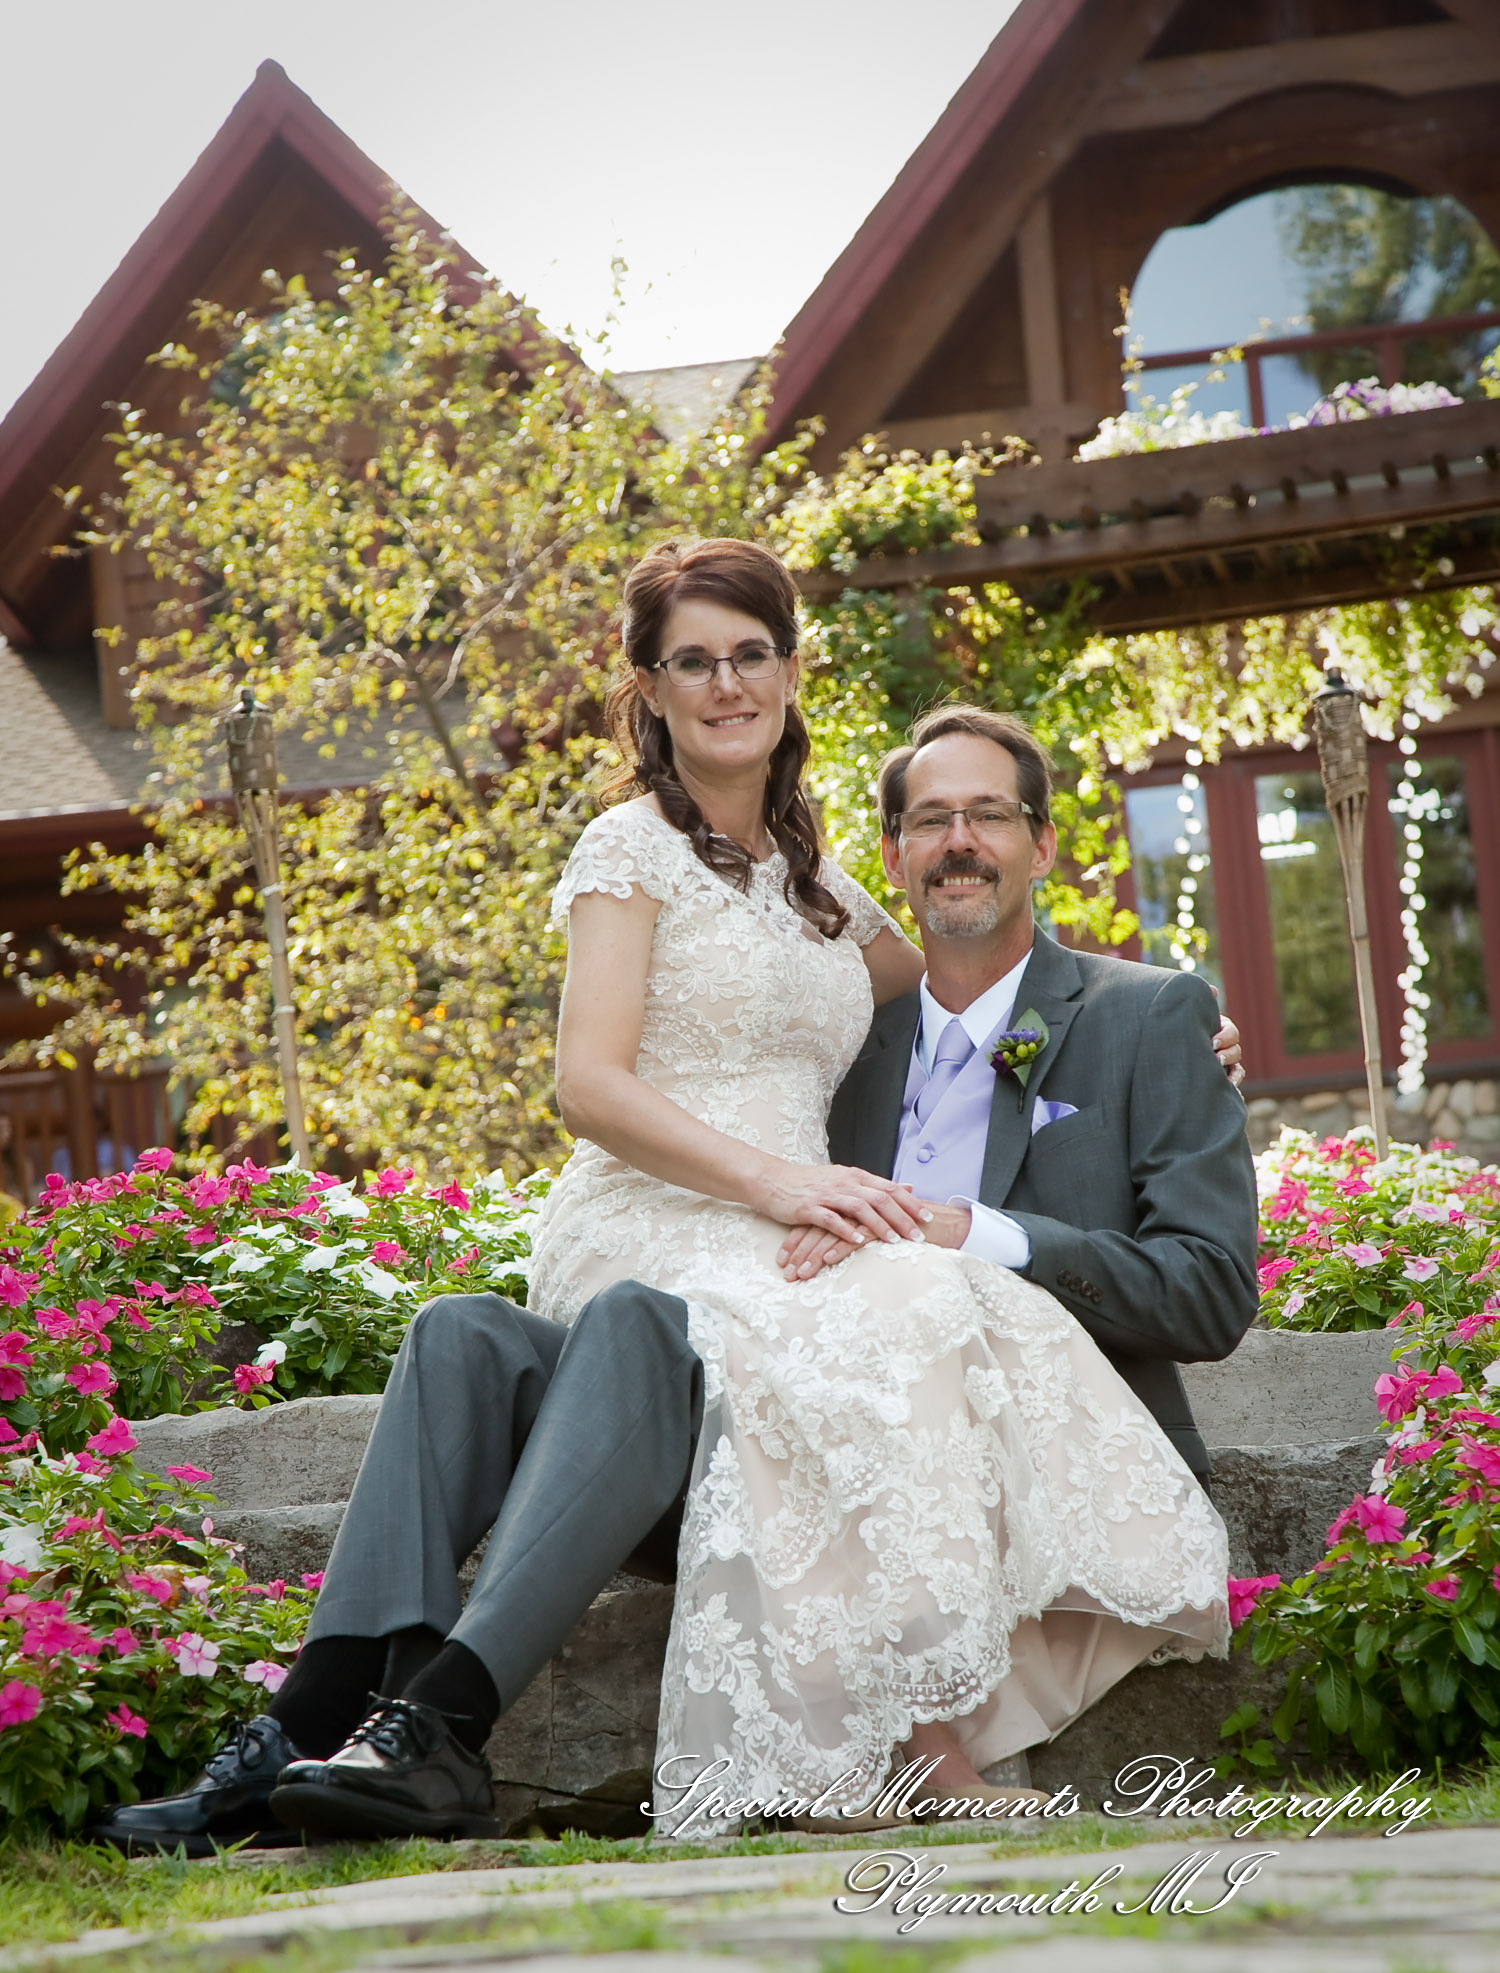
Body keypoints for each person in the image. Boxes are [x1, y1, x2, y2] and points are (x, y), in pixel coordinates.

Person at [88, 538, 1251, 1854]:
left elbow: (966, 952)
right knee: (811, 1302)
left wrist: (1164, 1030)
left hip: (767, 1249)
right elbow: (587, 1083)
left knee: (461, 1333)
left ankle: (333, 1730)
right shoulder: (623, 847)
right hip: (658, 1220)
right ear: (647, 687)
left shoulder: (821, 891)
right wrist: (781, 1180)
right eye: (692, 660)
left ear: (792, 670)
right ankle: (390, 1726)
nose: (725, 682)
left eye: (750, 653)